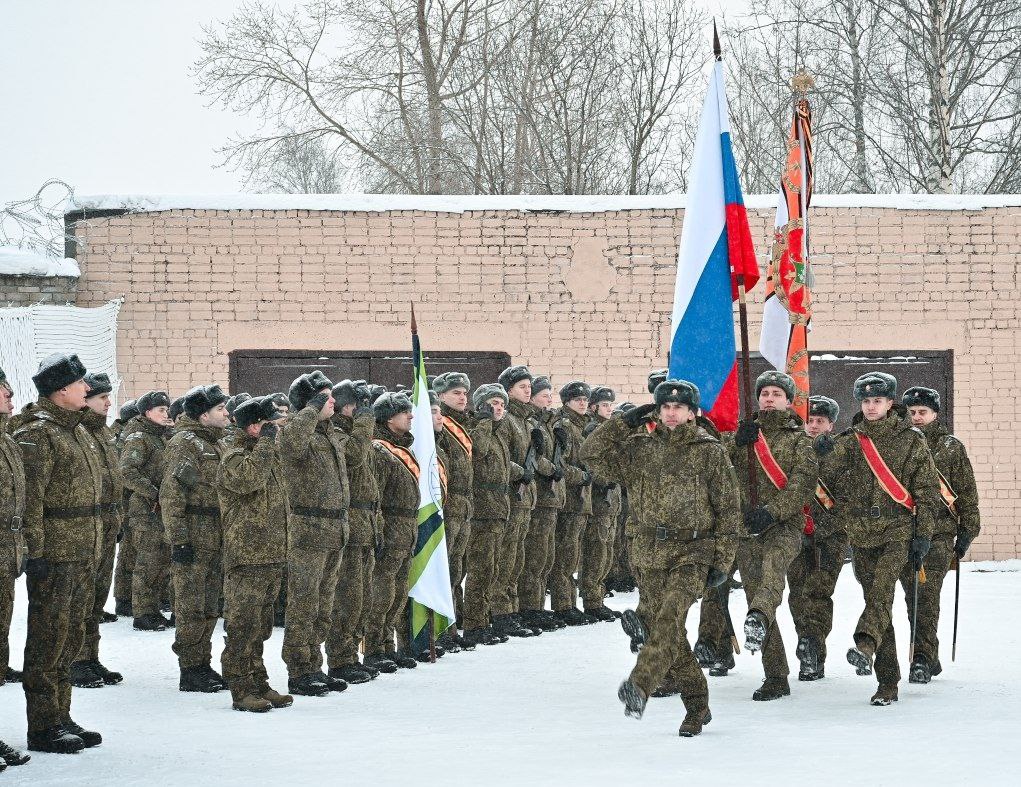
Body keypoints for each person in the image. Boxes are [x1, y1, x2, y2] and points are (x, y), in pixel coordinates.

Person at [582, 380, 739, 737]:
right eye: (665, 407)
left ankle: (640, 685)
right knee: (668, 632)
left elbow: (729, 509)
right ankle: (698, 706)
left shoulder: (709, 451)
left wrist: (722, 561)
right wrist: (624, 422)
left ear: (692, 413)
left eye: (679, 408)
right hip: (648, 553)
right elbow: (590, 454)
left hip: (693, 551)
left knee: (668, 619)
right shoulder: (638, 448)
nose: (671, 413)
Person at [829, 372, 940, 706]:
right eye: (865, 401)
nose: (871, 406)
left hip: (898, 531)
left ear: (891, 403)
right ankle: (887, 682)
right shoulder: (850, 440)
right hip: (861, 536)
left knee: (880, 592)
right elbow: (824, 478)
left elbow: (927, 493)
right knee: (878, 604)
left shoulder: (910, 440)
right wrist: (818, 451)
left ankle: (864, 643)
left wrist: (923, 535)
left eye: (877, 400)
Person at [15, 353, 104, 752]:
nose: (88, 389)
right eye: (81, 383)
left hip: (83, 549)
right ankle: (43, 725)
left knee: (69, 638)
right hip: (54, 554)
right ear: (61, 390)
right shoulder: (40, 434)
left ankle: (61, 714)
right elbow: (30, 500)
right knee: (47, 639)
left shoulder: (76, 430)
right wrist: (35, 551)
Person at [730, 371, 817, 701]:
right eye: (764, 392)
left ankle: (757, 618)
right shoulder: (745, 435)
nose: (769, 398)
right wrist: (736, 444)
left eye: (776, 393)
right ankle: (776, 676)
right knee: (756, 590)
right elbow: (719, 472)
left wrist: (771, 511)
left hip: (783, 526)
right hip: (746, 528)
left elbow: (800, 487)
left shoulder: (799, 441)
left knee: (772, 575)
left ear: (788, 400)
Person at [900, 385, 981, 683]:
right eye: (912, 413)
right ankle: (928, 656)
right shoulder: (900, 444)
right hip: (905, 533)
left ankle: (921, 657)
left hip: (940, 534)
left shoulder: (950, 447)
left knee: (926, 594)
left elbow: (966, 492)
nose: (917, 417)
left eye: (922, 412)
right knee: (913, 597)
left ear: (935, 414)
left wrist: (968, 531)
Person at [217, 396, 292, 713]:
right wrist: (265, 445)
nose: (275, 429)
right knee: (242, 624)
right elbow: (249, 481)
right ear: (252, 427)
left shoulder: (267, 455)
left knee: (261, 626)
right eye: (269, 425)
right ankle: (241, 688)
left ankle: (258, 681)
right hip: (247, 555)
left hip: (271, 553)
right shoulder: (234, 457)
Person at [280, 371, 350, 696]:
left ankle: (314, 664)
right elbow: (292, 445)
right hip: (308, 531)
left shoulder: (329, 434)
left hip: (334, 530)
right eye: (324, 396)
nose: (331, 400)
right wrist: (310, 409)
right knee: (304, 603)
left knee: (324, 605)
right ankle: (299, 669)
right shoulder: (297, 432)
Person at [161, 384, 231, 693]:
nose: (227, 413)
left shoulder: (217, 443)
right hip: (194, 534)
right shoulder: (185, 444)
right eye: (220, 409)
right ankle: (191, 668)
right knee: (191, 604)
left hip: (217, 535)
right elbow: (173, 495)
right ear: (203, 415)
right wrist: (180, 540)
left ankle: (203, 663)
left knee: (209, 603)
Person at [326, 380, 388, 682]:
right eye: (358, 405)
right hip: (350, 525)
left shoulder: (359, 433)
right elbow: (352, 457)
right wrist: (364, 422)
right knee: (347, 598)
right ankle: (340, 657)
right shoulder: (337, 433)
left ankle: (352, 653)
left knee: (362, 597)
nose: (364, 411)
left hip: (367, 523)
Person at [786, 395, 847, 681]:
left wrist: (825, 458)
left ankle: (813, 649)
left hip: (829, 536)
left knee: (819, 593)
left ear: (831, 425)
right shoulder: (793, 448)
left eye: (819, 421)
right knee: (797, 594)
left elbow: (848, 492)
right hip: (796, 533)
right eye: (808, 420)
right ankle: (805, 640)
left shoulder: (842, 451)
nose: (812, 426)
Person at [71, 373, 124, 689]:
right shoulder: (77, 433)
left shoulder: (102, 435)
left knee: (96, 599)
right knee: (80, 598)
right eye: (101, 397)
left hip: (106, 527)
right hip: (82, 530)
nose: (108, 402)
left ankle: (90, 656)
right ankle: (76, 659)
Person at [364, 392, 422, 669]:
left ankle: (389, 645)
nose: (411, 416)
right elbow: (375, 497)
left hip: (406, 527)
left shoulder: (402, 448)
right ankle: (375, 647)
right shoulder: (379, 450)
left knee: (398, 590)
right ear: (388, 418)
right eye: (404, 412)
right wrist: (378, 532)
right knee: (381, 591)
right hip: (389, 526)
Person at [462, 384, 514, 647]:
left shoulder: (497, 434)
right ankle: (473, 624)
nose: (499, 408)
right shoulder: (477, 430)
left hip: (497, 510)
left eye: (502, 404)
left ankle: (483, 618)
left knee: (492, 569)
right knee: (480, 569)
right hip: (483, 511)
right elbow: (478, 452)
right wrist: (483, 421)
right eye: (494, 403)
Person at [120, 390, 174, 631]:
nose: (166, 414)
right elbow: (127, 472)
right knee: (147, 562)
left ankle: (152, 608)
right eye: (161, 410)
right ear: (146, 412)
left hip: (161, 510)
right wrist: (154, 492)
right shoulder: (139, 438)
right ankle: (143, 612)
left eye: (166, 409)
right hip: (146, 510)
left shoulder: (160, 438)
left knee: (161, 561)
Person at [492, 366, 540, 638]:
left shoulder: (527, 421)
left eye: (529, 386)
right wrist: (520, 472)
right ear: (509, 390)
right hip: (511, 496)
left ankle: (515, 606)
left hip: (525, 499)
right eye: (522, 386)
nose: (528, 390)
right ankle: (501, 611)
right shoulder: (507, 420)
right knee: (506, 556)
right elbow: (500, 459)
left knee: (518, 556)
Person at [518, 376, 566, 633]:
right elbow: (536, 459)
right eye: (543, 394)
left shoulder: (546, 422)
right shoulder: (532, 422)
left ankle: (536, 605)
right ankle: (529, 607)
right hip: (537, 496)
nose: (549, 398)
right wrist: (553, 469)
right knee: (534, 556)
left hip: (547, 497)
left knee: (545, 556)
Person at [433, 372, 475, 634]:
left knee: (457, 568)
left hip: (465, 504)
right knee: (445, 567)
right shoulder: (441, 426)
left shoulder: (464, 424)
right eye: (456, 393)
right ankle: (442, 628)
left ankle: (453, 622)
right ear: (440, 396)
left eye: (464, 393)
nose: (462, 397)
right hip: (450, 504)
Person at [550, 381, 594, 626]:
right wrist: (582, 476)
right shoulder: (565, 426)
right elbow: (562, 464)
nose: (582, 402)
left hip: (582, 500)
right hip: (569, 499)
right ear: (567, 402)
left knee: (573, 554)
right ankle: (563, 604)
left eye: (585, 398)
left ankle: (571, 602)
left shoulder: (584, 426)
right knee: (565, 555)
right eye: (577, 398)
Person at [579, 386, 621, 622]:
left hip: (610, 500)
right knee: (596, 551)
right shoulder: (592, 430)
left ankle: (598, 596)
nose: (609, 409)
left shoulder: (606, 429)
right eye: (604, 405)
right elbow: (591, 461)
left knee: (605, 551)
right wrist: (604, 479)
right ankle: (592, 600)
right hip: (597, 499)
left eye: (610, 405)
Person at [112, 399, 140, 617]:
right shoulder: (124, 438)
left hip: (128, 500)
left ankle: (127, 597)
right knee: (129, 552)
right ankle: (123, 597)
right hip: (126, 500)